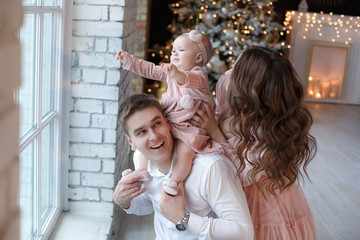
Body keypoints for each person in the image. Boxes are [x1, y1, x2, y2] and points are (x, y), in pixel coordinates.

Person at [191, 46, 318, 239]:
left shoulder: (269, 132)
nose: (226, 72)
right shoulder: (229, 89)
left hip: (260, 199)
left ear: (250, 87)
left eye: (235, 69)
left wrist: (215, 133)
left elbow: (241, 175)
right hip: (228, 191)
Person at [113, 94, 254, 240]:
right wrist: (125, 202)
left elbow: (244, 233)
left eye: (157, 124)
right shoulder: (141, 160)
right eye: (141, 132)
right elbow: (152, 204)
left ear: (167, 123)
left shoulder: (210, 167)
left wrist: (183, 218)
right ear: (132, 142)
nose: (154, 136)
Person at [116, 30, 223, 195]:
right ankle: (142, 170)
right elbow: (150, 70)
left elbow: (188, 80)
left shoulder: (199, 75)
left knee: (185, 152)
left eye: (181, 50)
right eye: (173, 50)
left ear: (198, 58)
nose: (174, 54)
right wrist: (130, 61)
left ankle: (174, 181)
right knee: (145, 143)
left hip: (189, 126)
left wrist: (176, 74)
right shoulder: (171, 72)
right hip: (169, 119)